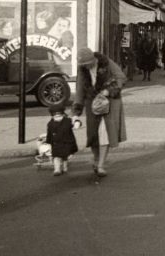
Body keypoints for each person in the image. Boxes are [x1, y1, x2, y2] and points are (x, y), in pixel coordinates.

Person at [71, 47, 127, 178]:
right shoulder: (82, 69)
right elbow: (79, 90)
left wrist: (108, 90)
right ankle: (96, 159)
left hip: (109, 102)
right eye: (83, 65)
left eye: (87, 64)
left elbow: (121, 77)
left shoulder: (106, 63)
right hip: (92, 103)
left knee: (105, 133)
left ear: (93, 59)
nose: (86, 66)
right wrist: (76, 113)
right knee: (93, 134)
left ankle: (101, 165)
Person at [45, 104, 78, 176]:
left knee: (65, 157)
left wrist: (77, 123)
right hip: (56, 143)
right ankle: (57, 169)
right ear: (52, 116)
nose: (58, 118)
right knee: (56, 156)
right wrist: (48, 142)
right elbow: (49, 133)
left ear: (63, 114)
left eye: (60, 116)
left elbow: (74, 123)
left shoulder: (67, 121)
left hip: (67, 142)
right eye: (55, 116)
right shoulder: (50, 124)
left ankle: (64, 167)